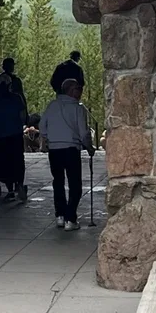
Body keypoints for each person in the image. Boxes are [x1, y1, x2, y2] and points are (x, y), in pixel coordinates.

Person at [39, 77, 94, 230]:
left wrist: (49, 137)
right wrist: (89, 147)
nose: (80, 92)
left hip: (55, 150)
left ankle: (60, 216)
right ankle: (71, 218)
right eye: (78, 89)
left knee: (58, 182)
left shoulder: (52, 106)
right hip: (71, 148)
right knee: (75, 184)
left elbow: (42, 125)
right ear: (70, 90)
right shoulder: (78, 108)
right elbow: (83, 132)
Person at [0, 57, 28, 200]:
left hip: (2, 133)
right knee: (18, 159)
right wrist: (20, 124)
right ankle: (19, 184)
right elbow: (23, 114)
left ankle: (10, 188)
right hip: (15, 132)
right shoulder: (16, 95)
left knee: (4, 160)